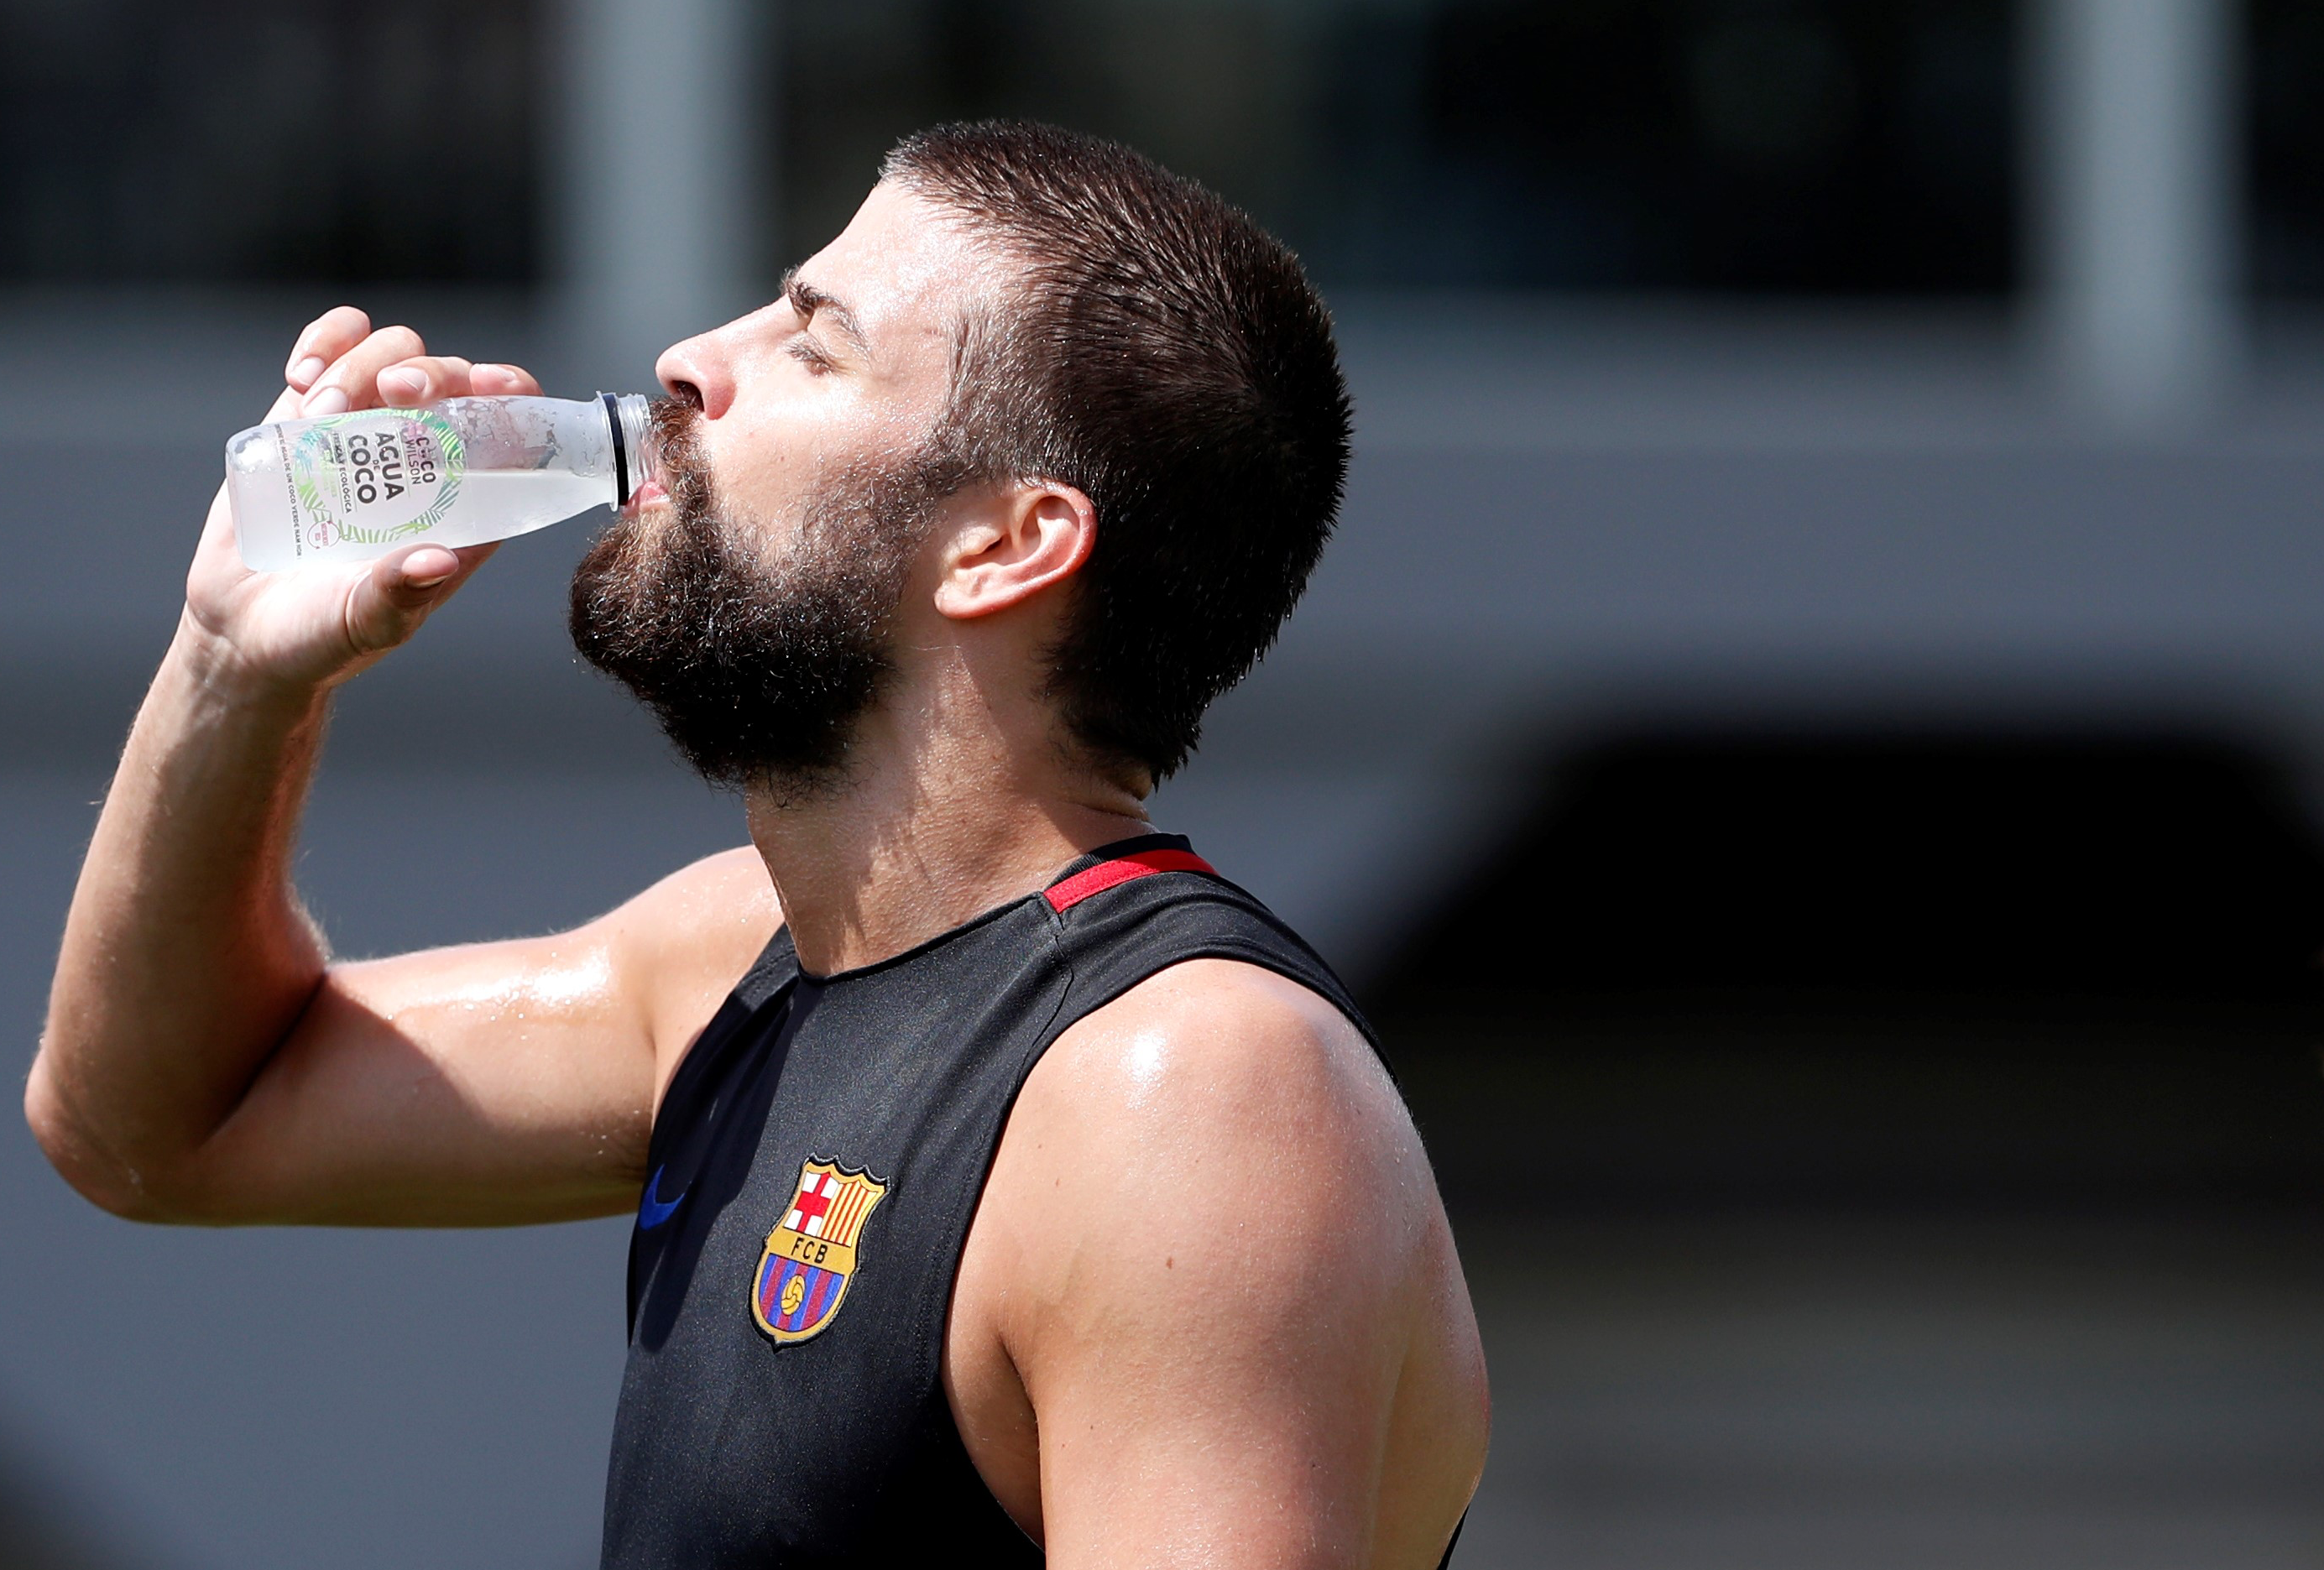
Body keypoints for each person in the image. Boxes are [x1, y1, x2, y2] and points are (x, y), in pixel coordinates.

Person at [27, 122, 1488, 1567]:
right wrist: (232, 669)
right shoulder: (748, 957)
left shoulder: (1191, 1092)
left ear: (1003, 544)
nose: (687, 360)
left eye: (812, 341)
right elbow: (160, 1125)